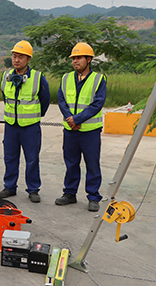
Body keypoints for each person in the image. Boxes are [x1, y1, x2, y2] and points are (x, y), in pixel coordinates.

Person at [56, 42, 107, 212]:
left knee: (92, 164)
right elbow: (61, 100)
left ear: (89, 59)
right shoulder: (66, 78)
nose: (75, 61)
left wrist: (77, 119)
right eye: (73, 58)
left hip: (90, 132)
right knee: (71, 163)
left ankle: (93, 197)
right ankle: (69, 193)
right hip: (70, 131)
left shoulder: (98, 79)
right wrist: (70, 119)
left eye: (79, 58)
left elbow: (97, 104)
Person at [0, 41, 50, 203]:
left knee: (32, 158)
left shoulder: (38, 78)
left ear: (28, 59)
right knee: (10, 157)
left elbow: (45, 100)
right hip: (11, 126)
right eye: (14, 56)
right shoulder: (6, 77)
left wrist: (34, 116)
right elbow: (6, 98)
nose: (16, 60)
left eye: (20, 57)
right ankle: (10, 187)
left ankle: (33, 189)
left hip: (30, 127)